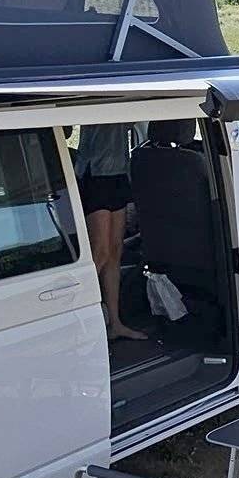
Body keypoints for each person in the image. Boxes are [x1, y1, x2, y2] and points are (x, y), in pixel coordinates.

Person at [76, 123, 141, 341]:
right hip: (95, 172)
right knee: (100, 253)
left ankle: (115, 323)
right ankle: (76, 318)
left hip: (119, 172)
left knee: (115, 252)